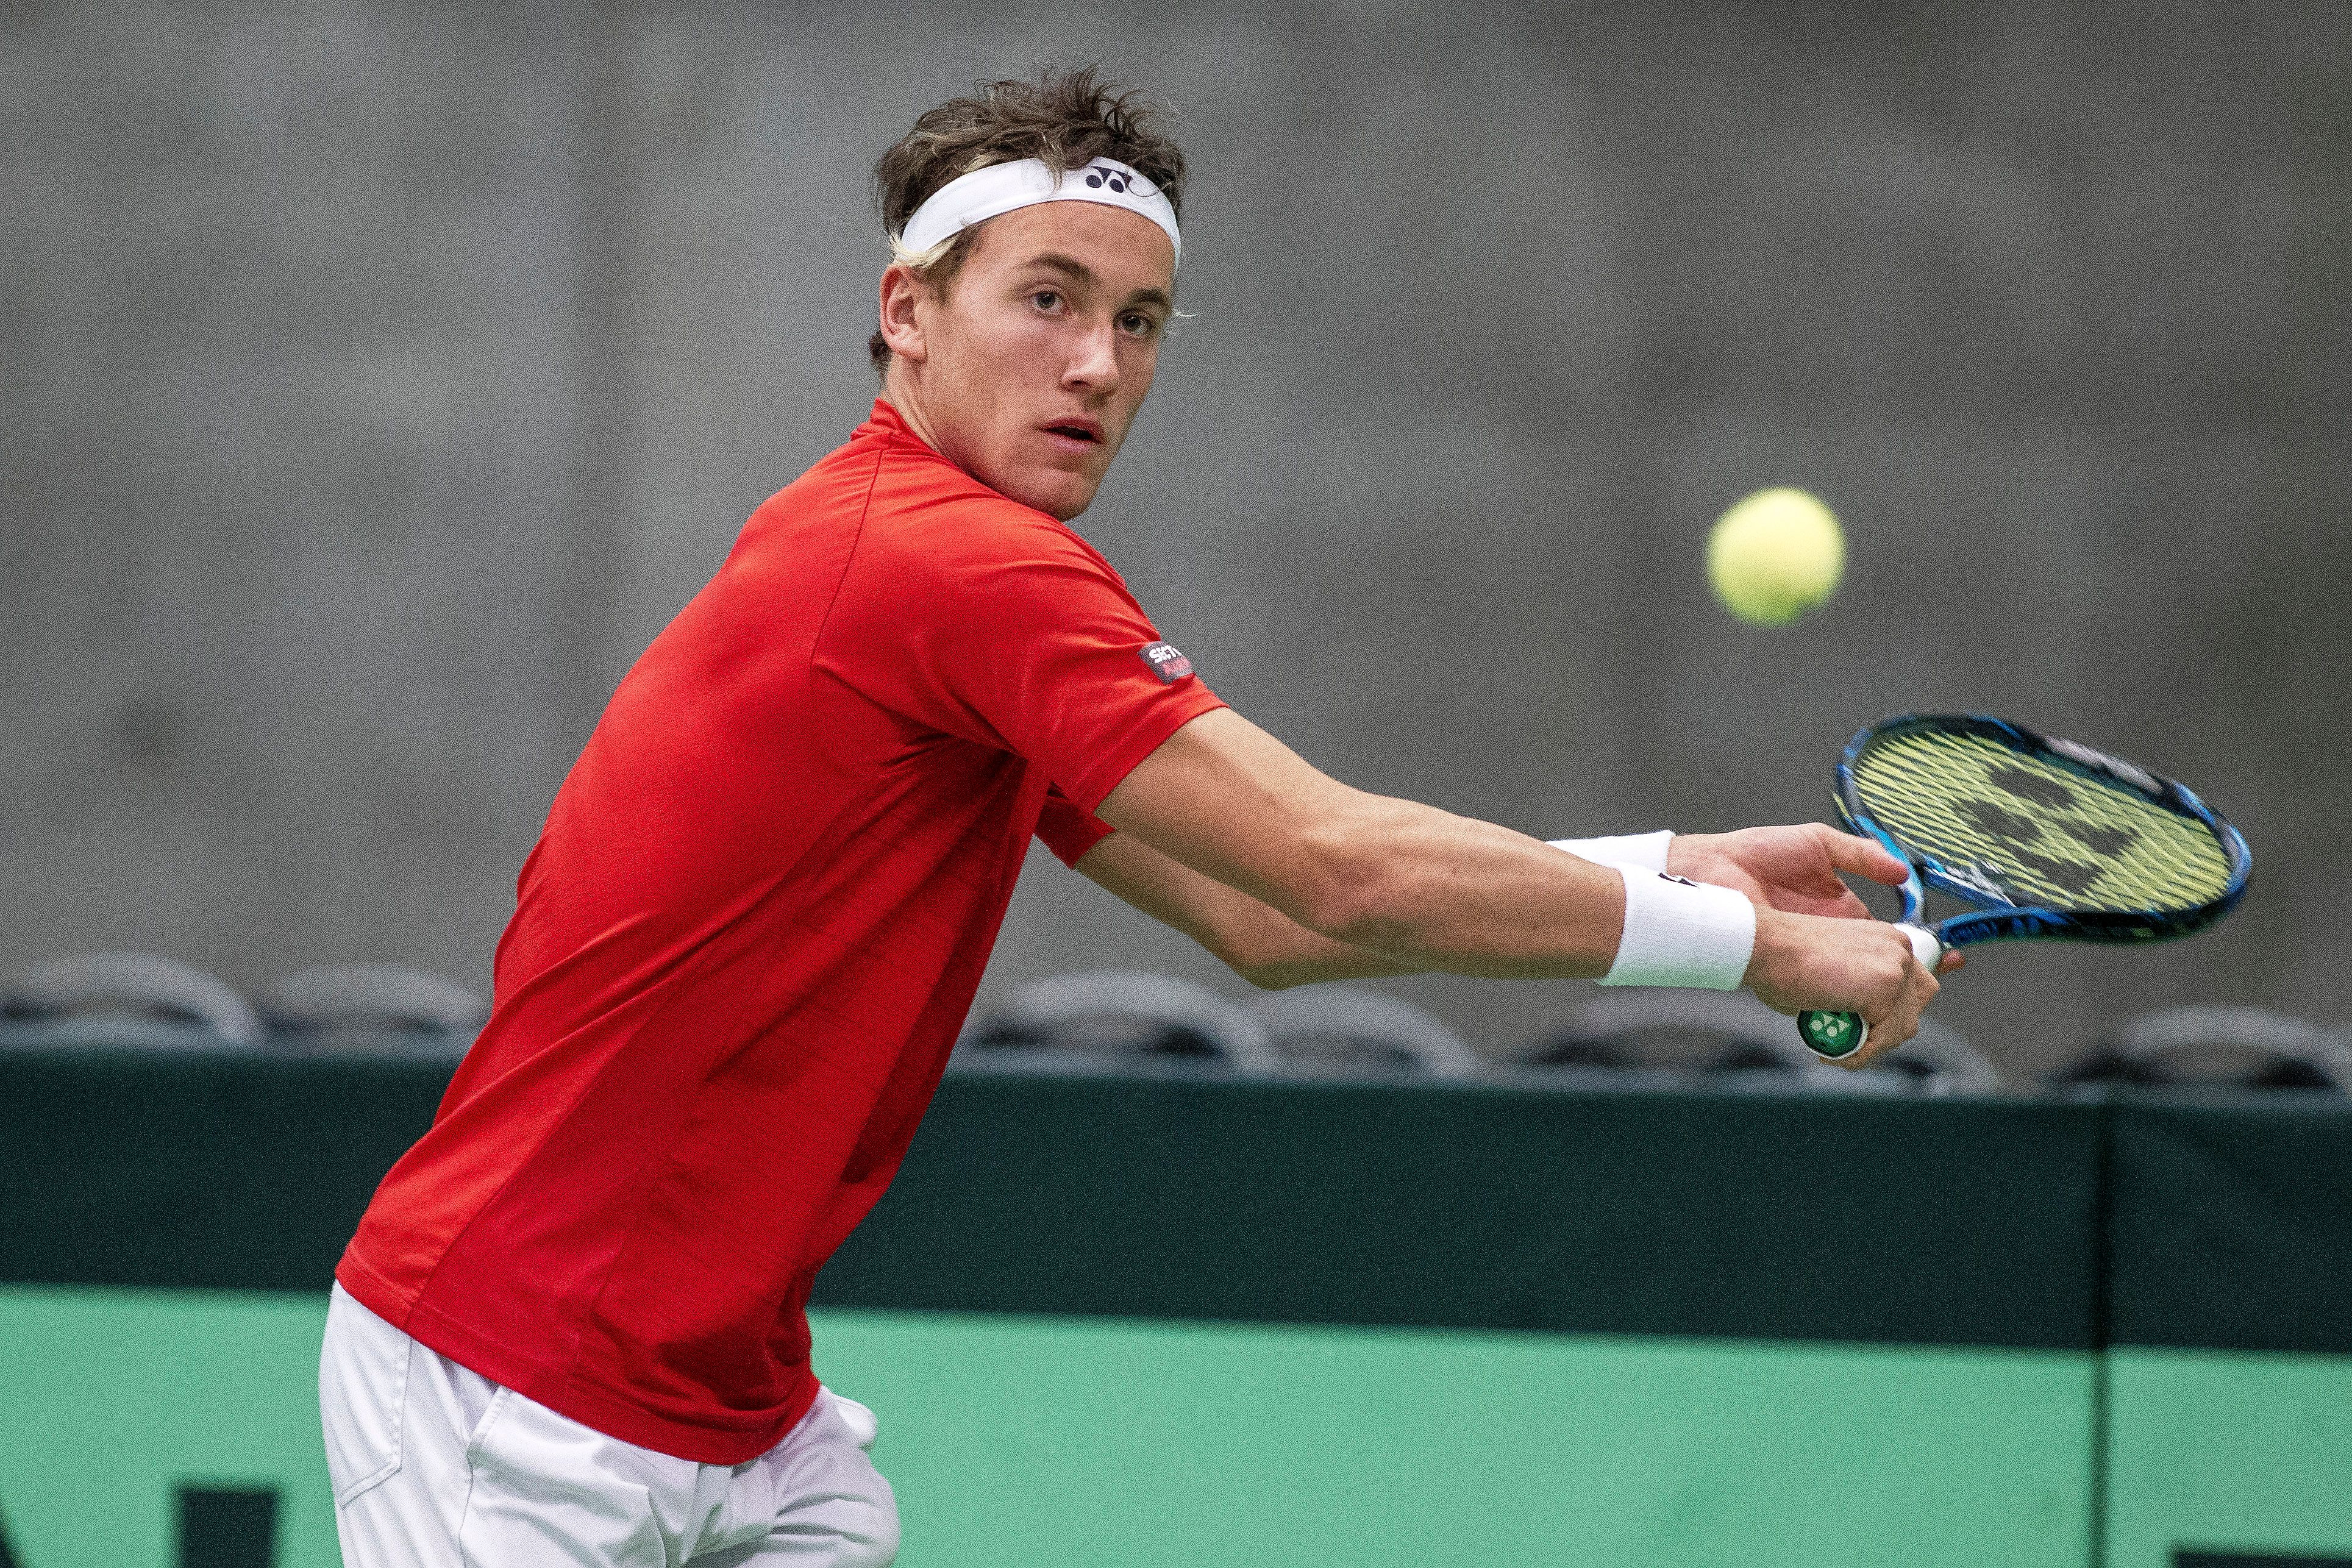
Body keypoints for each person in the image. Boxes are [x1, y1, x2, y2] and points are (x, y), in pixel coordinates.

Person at [318, 66, 1947, 1568]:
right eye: (1048, 299)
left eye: (1141, 319)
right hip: (512, 1384)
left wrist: (1667, 868)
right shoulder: (950, 565)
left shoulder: (925, 569)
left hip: (732, 1413)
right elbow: (1339, 869)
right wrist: (1744, 949)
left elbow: (1266, 918)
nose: (1099, 365)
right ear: (907, 312)